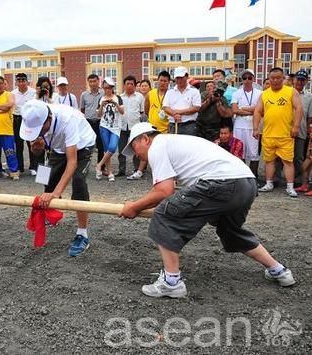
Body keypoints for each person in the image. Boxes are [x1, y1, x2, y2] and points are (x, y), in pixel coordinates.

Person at [120, 122, 296, 298]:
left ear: (145, 139)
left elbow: (164, 191)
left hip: (221, 182)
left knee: (164, 215)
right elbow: (163, 192)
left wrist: (134, 207)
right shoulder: (174, 142)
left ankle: (171, 282)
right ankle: (278, 270)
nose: (135, 153)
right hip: (246, 182)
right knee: (230, 230)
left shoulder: (157, 146)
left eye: (134, 146)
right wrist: (136, 205)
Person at [20, 99, 96, 257]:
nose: (38, 133)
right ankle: (52, 214)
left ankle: (82, 234)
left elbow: (72, 162)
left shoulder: (68, 119)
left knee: (78, 182)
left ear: (48, 119)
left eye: (40, 130)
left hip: (82, 145)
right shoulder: (33, 117)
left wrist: (56, 193)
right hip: (57, 148)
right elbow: (37, 153)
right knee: (45, 179)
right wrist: (36, 149)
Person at [254, 67, 303, 197]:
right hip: (268, 134)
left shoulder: (291, 91)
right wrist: (255, 128)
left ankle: (290, 186)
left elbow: (298, 108)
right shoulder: (264, 94)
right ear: (269, 79)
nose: (275, 80)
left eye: (278, 78)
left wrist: (296, 126)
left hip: (285, 134)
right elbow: (258, 111)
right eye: (272, 78)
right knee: (269, 161)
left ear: (283, 78)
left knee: (288, 161)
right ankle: (269, 183)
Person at [231, 69, 262, 177]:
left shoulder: (260, 93)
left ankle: (254, 176)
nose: (247, 80)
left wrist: (243, 108)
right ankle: (242, 176)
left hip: (253, 126)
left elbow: (260, 109)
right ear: (242, 79)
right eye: (244, 78)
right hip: (239, 126)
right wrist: (253, 110)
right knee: (239, 152)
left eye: (249, 78)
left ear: (253, 79)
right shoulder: (236, 93)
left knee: (254, 153)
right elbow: (234, 110)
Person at [95, 77, 125, 182]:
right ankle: (110, 172)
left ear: (112, 88)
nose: (107, 90)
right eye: (105, 88)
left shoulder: (118, 98)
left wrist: (115, 103)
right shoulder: (101, 99)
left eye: (109, 88)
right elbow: (98, 115)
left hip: (116, 127)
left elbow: (122, 112)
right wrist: (101, 106)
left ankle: (99, 165)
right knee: (106, 149)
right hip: (104, 126)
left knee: (112, 148)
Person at [117, 75, 144, 179]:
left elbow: (142, 112)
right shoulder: (119, 97)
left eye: (131, 84)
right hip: (122, 127)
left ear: (134, 85)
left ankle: (137, 169)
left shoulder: (140, 97)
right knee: (121, 150)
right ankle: (121, 170)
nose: (129, 86)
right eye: (127, 83)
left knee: (137, 149)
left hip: (135, 127)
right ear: (124, 85)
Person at [162, 67, 201, 135]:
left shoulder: (194, 91)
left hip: (189, 125)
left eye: (181, 77)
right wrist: (174, 114)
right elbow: (165, 107)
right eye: (177, 78)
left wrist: (179, 112)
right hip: (173, 125)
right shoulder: (170, 92)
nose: (179, 80)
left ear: (186, 76)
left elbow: (196, 108)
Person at [11, 73, 37, 175]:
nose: (21, 83)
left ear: (27, 81)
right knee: (18, 144)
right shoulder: (12, 93)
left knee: (31, 144)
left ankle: (33, 167)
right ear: (16, 82)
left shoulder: (33, 92)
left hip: (29, 120)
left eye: (23, 80)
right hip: (17, 119)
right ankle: (20, 167)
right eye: (19, 81)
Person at [292, 70, 312, 186]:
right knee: (283, 156)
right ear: (294, 79)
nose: (300, 82)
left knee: (299, 157)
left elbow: (310, 117)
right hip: (285, 130)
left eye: (302, 80)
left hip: (302, 130)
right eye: (298, 79)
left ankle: (300, 180)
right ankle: (281, 178)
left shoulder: (309, 96)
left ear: (306, 81)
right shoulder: (287, 92)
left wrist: (309, 132)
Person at [80, 74, 104, 168]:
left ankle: (100, 167)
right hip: (88, 123)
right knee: (87, 145)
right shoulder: (84, 95)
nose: (93, 83)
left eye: (94, 81)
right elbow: (82, 109)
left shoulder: (103, 93)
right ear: (88, 83)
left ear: (98, 81)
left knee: (101, 146)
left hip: (100, 122)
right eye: (90, 81)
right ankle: (84, 166)